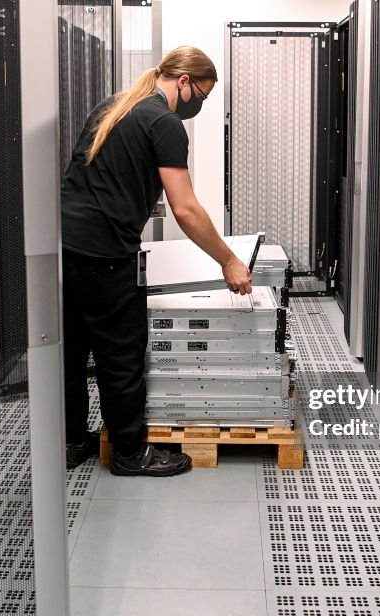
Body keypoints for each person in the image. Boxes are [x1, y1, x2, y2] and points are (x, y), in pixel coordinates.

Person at [60, 46, 253, 477]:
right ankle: (130, 453)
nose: (199, 106)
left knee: (71, 352)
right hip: (105, 255)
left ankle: (73, 442)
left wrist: (133, 201)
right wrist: (228, 261)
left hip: (64, 246)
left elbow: (94, 176)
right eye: (200, 96)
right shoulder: (165, 122)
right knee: (121, 353)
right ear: (183, 83)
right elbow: (186, 210)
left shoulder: (114, 106)